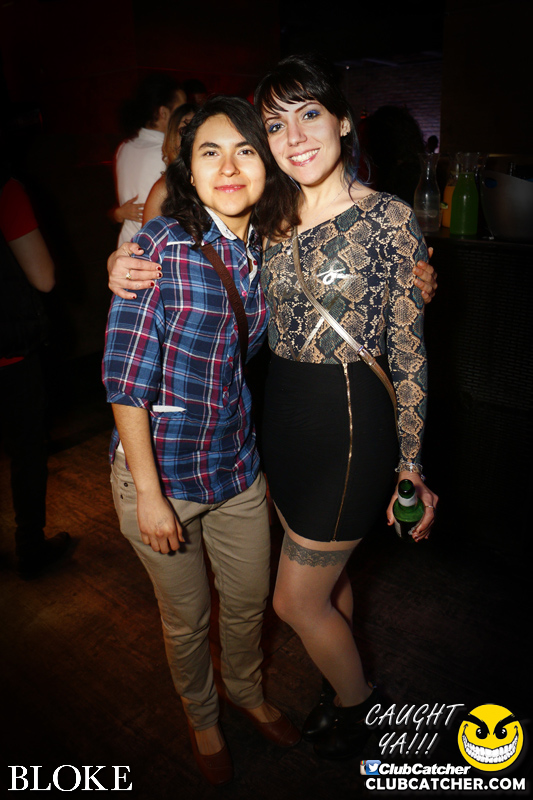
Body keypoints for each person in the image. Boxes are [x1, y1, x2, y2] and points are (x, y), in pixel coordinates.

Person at [105, 56, 439, 762]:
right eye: (277, 124)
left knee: (291, 601)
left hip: (344, 426)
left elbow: (409, 355)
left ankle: (358, 708)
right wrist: (121, 260)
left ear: (342, 121)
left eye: (309, 113)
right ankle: (324, 685)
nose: (295, 136)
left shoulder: (387, 220)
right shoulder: (269, 218)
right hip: (274, 427)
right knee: (327, 581)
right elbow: (181, 233)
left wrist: (412, 465)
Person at [102, 96, 300, 787]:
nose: (229, 166)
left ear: (267, 165)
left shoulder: (272, 248)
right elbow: (125, 380)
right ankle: (203, 714)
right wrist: (150, 496)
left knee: (247, 602)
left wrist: (416, 279)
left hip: (237, 466)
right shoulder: (158, 247)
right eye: (210, 152)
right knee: (186, 620)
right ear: (187, 170)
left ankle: (245, 690)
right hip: (161, 476)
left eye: (245, 150)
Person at [0, 164, 71, 577]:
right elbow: (43, 277)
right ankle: (30, 546)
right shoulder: (6, 190)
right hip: (8, 355)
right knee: (26, 450)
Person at [110, 73, 185, 245]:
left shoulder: (124, 147)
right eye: (181, 110)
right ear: (163, 113)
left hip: (126, 244)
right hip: (154, 250)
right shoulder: (168, 153)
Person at [141, 102, 197, 225]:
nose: (191, 137)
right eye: (184, 130)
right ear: (172, 137)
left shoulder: (212, 181)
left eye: (196, 130)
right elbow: (148, 236)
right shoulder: (164, 188)